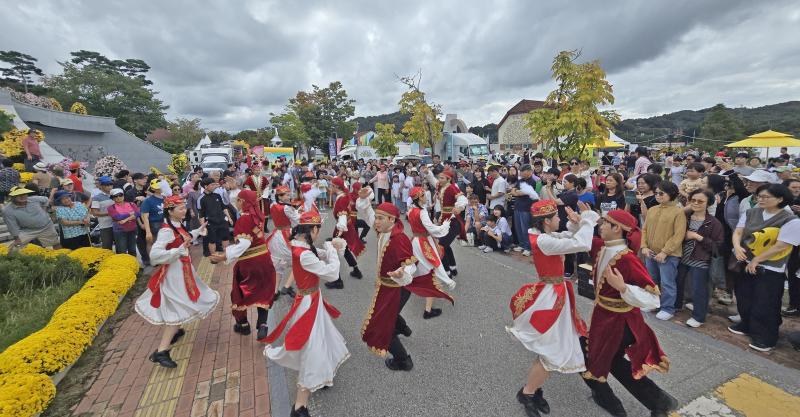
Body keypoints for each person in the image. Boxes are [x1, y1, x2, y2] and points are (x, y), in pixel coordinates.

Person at [507, 200, 597, 417]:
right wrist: (588, 219)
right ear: (546, 221)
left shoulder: (544, 236)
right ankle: (528, 393)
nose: (560, 219)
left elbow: (569, 236)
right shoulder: (544, 241)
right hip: (551, 296)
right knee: (552, 350)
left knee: (553, 348)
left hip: (555, 293)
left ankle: (532, 390)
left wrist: (576, 224)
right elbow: (582, 243)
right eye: (557, 217)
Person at [582, 209, 676, 417]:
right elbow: (583, 240)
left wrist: (623, 287)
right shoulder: (602, 247)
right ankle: (658, 402)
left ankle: (617, 402)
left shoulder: (627, 259)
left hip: (619, 322)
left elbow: (653, 298)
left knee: (593, 356)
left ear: (617, 228)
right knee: (607, 360)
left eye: (604, 222)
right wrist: (579, 221)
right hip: (603, 318)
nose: (600, 226)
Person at [262, 212, 350, 417]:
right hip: (308, 304)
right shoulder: (303, 253)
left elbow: (318, 254)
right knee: (312, 346)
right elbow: (332, 273)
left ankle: (323, 374)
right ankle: (299, 405)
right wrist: (332, 249)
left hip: (311, 299)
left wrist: (331, 248)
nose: (319, 233)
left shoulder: (300, 245)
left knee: (321, 338)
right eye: (318, 229)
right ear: (313, 230)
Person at [355, 196, 454, 371]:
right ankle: (403, 328)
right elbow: (369, 215)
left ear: (391, 219)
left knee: (381, 325)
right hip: (387, 287)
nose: (376, 221)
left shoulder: (398, 239)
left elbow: (410, 265)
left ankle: (403, 360)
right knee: (387, 316)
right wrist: (364, 199)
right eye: (376, 218)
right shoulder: (384, 230)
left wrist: (403, 273)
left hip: (396, 289)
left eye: (380, 218)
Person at [135, 195, 219, 368]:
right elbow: (155, 255)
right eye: (180, 208)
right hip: (174, 275)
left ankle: (176, 330)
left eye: (184, 207)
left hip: (183, 271)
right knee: (178, 308)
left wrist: (197, 231)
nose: (184, 210)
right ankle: (161, 351)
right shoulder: (166, 230)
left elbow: (183, 238)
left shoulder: (177, 225)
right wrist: (178, 251)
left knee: (180, 304)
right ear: (170, 211)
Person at [729, 183, 800, 352]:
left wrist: (757, 260)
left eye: (766, 197)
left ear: (780, 199)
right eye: (759, 196)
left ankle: (766, 337)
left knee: (766, 302)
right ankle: (747, 324)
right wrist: (737, 247)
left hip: (770, 268)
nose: (761, 199)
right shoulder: (751, 212)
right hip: (746, 261)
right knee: (744, 296)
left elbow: (781, 246)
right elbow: (738, 232)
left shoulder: (790, 220)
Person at [210, 190, 277, 340]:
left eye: (238, 200)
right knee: (264, 291)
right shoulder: (257, 216)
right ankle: (262, 324)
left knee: (239, 293)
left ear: (242, 202)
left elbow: (244, 244)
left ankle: (243, 325)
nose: (236, 202)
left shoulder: (244, 219)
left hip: (249, 262)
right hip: (264, 260)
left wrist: (224, 256)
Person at [406, 186, 457, 319]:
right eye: (423, 195)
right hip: (423, 242)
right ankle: (428, 310)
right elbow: (432, 229)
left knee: (423, 269)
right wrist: (445, 225)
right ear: (418, 198)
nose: (426, 197)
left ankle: (425, 297)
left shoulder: (411, 210)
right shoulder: (422, 212)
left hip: (415, 241)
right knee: (430, 271)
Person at [675, 189, 724, 328]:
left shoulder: (714, 223)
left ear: (708, 203)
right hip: (681, 256)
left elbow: (718, 246)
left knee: (699, 288)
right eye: (693, 200)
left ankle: (699, 316)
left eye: (700, 201)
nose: (696, 203)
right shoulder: (685, 217)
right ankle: (676, 305)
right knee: (678, 282)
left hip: (701, 259)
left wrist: (697, 237)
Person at [640, 181, 687, 321]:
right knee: (651, 279)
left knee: (667, 282)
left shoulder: (678, 212)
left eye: (661, 193)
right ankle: (652, 303)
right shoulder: (653, 209)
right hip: (650, 252)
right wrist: (644, 246)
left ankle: (668, 308)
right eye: (656, 193)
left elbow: (678, 235)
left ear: (671, 194)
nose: (658, 196)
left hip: (669, 255)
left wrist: (665, 252)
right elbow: (645, 229)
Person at [324, 177, 364, 289]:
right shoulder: (344, 195)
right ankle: (356, 271)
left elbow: (342, 218)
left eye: (331, 185)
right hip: (347, 226)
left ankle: (338, 281)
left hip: (342, 228)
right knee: (345, 250)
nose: (330, 187)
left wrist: (338, 235)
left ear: (336, 187)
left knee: (334, 253)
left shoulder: (342, 199)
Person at [267, 185, 300, 299]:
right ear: (280, 196)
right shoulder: (287, 208)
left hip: (276, 235)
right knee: (298, 261)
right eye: (286, 195)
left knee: (278, 266)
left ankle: (275, 292)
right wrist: (299, 212)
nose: (289, 196)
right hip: (286, 236)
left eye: (288, 194)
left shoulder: (272, 205)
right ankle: (288, 286)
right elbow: (298, 221)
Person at [435, 169, 468, 275]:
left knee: (441, 245)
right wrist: (428, 173)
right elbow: (433, 182)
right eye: (439, 178)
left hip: (453, 222)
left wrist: (460, 207)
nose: (439, 180)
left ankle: (447, 272)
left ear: (448, 179)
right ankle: (453, 268)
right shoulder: (441, 186)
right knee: (445, 245)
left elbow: (462, 198)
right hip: (444, 221)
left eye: (442, 178)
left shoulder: (452, 187)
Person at [511, 164, 540, 257]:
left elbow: (522, 193)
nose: (520, 173)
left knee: (525, 228)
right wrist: (517, 192)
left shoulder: (533, 181)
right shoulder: (520, 180)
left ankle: (528, 248)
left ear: (528, 171)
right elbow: (513, 191)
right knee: (518, 228)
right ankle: (522, 244)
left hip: (526, 208)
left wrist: (517, 192)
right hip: (517, 207)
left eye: (522, 171)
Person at [199, 177, 231, 257]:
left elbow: (224, 208)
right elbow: (201, 214)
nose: (214, 186)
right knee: (212, 241)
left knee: (225, 237)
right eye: (212, 185)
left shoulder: (217, 195)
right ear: (206, 186)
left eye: (214, 184)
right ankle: (213, 256)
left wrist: (229, 218)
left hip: (222, 221)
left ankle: (226, 255)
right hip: (211, 223)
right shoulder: (201, 199)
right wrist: (203, 227)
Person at [107, 188, 140, 256]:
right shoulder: (111, 208)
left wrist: (125, 220)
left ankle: (133, 262)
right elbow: (118, 217)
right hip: (120, 231)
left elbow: (137, 213)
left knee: (132, 250)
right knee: (122, 251)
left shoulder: (131, 204)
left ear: (123, 195)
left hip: (132, 230)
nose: (118, 197)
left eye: (120, 195)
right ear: (112, 198)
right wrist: (130, 213)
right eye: (115, 196)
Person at [91, 176, 115, 250]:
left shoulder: (116, 194)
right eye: (107, 185)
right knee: (107, 247)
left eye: (111, 184)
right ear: (101, 186)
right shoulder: (97, 198)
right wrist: (109, 213)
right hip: (105, 226)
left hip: (118, 224)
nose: (109, 186)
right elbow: (95, 213)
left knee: (120, 246)